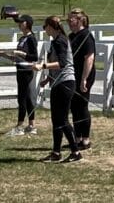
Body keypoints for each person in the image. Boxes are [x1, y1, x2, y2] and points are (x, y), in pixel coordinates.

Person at [34, 16, 82, 162]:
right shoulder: (55, 41)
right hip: (58, 83)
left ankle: (75, 152)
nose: (44, 29)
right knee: (56, 120)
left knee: (62, 119)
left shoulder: (60, 40)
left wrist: (42, 66)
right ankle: (56, 152)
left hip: (65, 83)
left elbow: (61, 63)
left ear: (51, 26)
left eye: (45, 26)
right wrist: (48, 78)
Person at [68, 7, 96, 150]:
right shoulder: (71, 36)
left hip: (84, 75)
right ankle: (77, 137)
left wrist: (84, 79)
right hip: (73, 75)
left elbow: (89, 58)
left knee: (82, 106)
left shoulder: (86, 35)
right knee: (74, 107)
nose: (68, 22)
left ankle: (85, 139)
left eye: (71, 19)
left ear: (79, 20)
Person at [7, 14, 39, 136]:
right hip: (20, 70)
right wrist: (8, 56)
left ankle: (20, 126)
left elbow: (34, 57)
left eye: (22, 22)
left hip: (27, 71)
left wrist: (20, 53)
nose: (19, 24)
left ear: (28, 24)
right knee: (25, 98)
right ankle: (30, 125)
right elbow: (19, 57)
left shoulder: (31, 39)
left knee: (24, 98)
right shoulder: (22, 39)